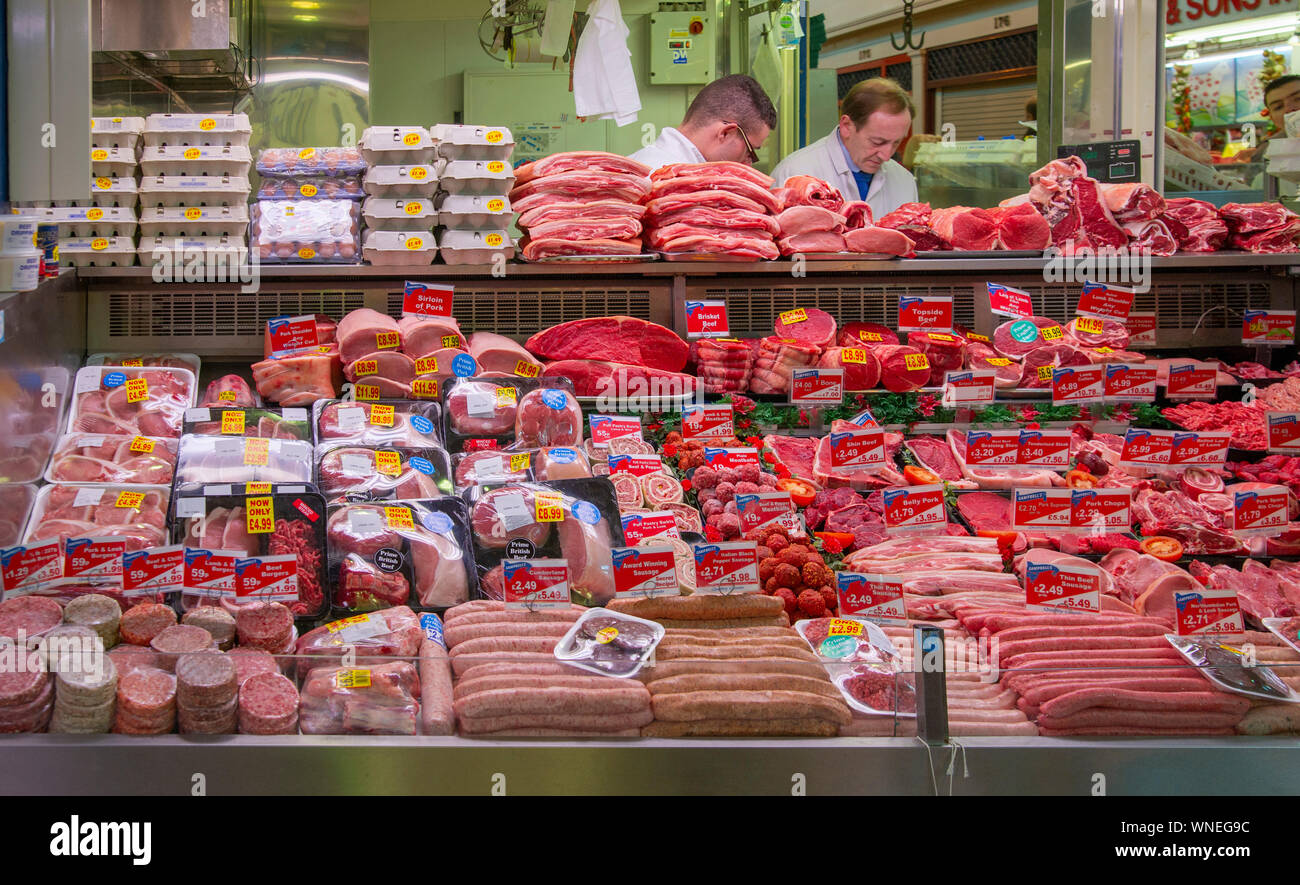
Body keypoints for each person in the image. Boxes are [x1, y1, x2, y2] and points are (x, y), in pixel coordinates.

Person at [772, 77, 917, 218]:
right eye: (877, 142)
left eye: (896, 143)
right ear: (846, 126)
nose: (886, 156)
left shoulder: (904, 181)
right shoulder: (795, 173)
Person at [630, 74, 777, 169]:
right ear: (726, 133)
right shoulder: (667, 184)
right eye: (750, 152)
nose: (748, 164)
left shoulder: (646, 161)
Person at [1234, 74, 1300, 163]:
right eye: (1278, 107)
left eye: (1298, 98)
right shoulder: (1269, 151)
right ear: (1273, 119)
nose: (1289, 109)